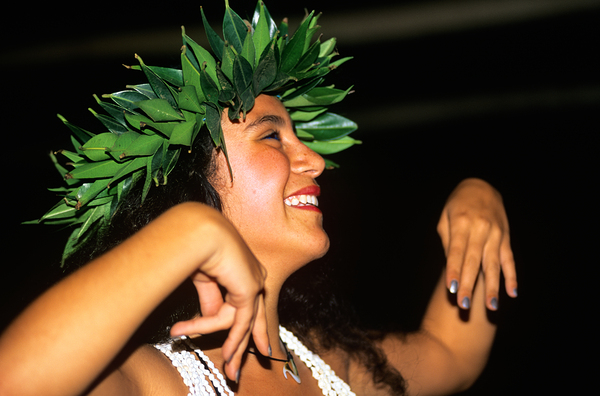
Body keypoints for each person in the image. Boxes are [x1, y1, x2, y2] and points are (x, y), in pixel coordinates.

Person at [0, 2, 517, 395]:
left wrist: (481, 197)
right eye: (272, 137)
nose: (313, 160)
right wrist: (191, 230)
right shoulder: (153, 380)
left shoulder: (334, 365)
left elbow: (452, 353)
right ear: (188, 189)